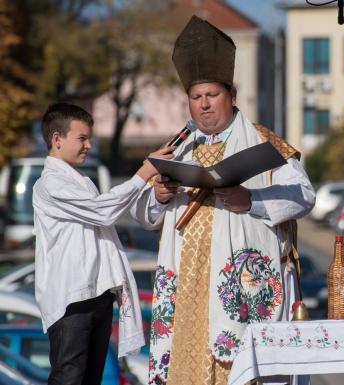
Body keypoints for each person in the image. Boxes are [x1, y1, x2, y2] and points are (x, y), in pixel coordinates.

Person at [130, 17, 315, 385]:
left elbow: (303, 195)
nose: (204, 106)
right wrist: (160, 195)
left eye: (212, 96)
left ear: (232, 96)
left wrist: (252, 201)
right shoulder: (177, 147)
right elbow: (143, 213)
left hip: (239, 285)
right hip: (186, 287)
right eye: (196, 98)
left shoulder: (264, 143)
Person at [32, 102, 174, 385]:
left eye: (89, 138)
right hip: (71, 297)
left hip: (97, 292)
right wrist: (144, 173)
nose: (88, 145)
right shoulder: (50, 183)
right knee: (69, 378)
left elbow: (111, 209)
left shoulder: (82, 180)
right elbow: (103, 210)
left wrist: (153, 189)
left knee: (90, 378)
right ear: (57, 139)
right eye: (82, 138)